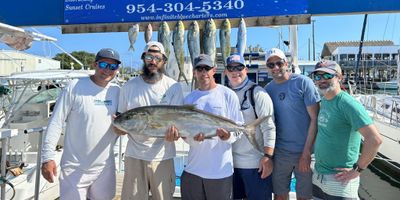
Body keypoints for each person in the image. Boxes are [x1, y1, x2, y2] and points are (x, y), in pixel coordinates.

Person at [41, 48, 121, 199]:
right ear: (95, 64)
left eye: (113, 66)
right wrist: (47, 158)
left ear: (117, 69)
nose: (107, 70)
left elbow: (122, 124)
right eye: (103, 65)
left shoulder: (117, 91)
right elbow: (56, 122)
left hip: (105, 167)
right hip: (74, 168)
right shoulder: (74, 86)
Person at [170, 54, 244, 200]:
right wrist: (194, 140)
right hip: (193, 170)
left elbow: (239, 129)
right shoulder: (189, 99)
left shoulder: (228, 95)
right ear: (194, 72)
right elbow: (186, 135)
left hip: (220, 172)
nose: (203, 72)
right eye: (199, 68)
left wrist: (227, 136)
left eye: (207, 68)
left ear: (214, 70)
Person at [310, 60, 382, 200]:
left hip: (340, 182)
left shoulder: (348, 104)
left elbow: (374, 140)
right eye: (317, 77)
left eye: (327, 76)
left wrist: (357, 170)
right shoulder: (324, 101)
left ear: (339, 77)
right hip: (318, 177)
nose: (321, 80)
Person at [116, 41, 177, 200]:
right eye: (149, 56)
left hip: (163, 156)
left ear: (163, 61)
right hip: (134, 155)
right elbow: (119, 123)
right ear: (143, 58)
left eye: (157, 57)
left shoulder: (173, 87)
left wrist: (176, 135)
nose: (153, 61)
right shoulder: (129, 86)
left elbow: (179, 122)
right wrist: (120, 127)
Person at [264, 48, 320, 200]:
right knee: (279, 196)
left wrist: (306, 153)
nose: (275, 67)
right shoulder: (267, 90)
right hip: (281, 153)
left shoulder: (303, 83)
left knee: (304, 197)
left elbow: (315, 119)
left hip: (306, 152)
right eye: (271, 65)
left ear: (286, 63)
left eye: (279, 63)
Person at [224, 54, 276, 200]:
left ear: (246, 70)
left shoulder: (258, 93)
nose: (235, 71)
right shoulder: (224, 95)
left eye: (239, 67)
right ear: (226, 72)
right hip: (229, 166)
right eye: (231, 68)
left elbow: (269, 127)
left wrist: (267, 157)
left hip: (255, 165)